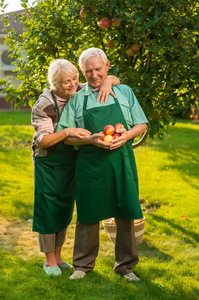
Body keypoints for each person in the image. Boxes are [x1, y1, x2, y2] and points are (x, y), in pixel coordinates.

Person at [56, 48, 148, 281]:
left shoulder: (124, 92)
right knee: (88, 211)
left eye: (98, 69)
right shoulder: (77, 99)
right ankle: (82, 266)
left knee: (126, 210)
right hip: (90, 161)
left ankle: (126, 266)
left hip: (121, 160)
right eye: (88, 71)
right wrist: (89, 140)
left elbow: (141, 124)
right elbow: (66, 136)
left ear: (107, 66)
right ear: (82, 73)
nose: (94, 75)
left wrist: (126, 136)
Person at [31, 58, 120, 276]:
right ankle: (49, 260)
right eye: (65, 83)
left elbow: (114, 79)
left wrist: (108, 80)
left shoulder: (79, 89)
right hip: (49, 161)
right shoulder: (45, 104)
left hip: (71, 158)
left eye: (74, 79)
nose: (72, 85)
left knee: (64, 208)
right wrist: (68, 131)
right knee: (48, 208)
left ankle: (59, 257)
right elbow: (43, 140)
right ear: (54, 85)